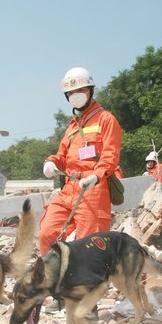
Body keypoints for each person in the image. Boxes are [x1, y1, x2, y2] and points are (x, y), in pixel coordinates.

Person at [38, 67, 122, 254]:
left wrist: (96, 176)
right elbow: (61, 155)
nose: (75, 96)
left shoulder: (106, 120)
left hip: (93, 189)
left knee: (90, 245)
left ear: (91, 90)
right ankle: (53, 276)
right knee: (47, 232)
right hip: (69, 188)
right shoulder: (73, 126)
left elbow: (110, 156)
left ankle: (90, 281)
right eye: (71, 93)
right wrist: (51, 162)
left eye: (80, 90)